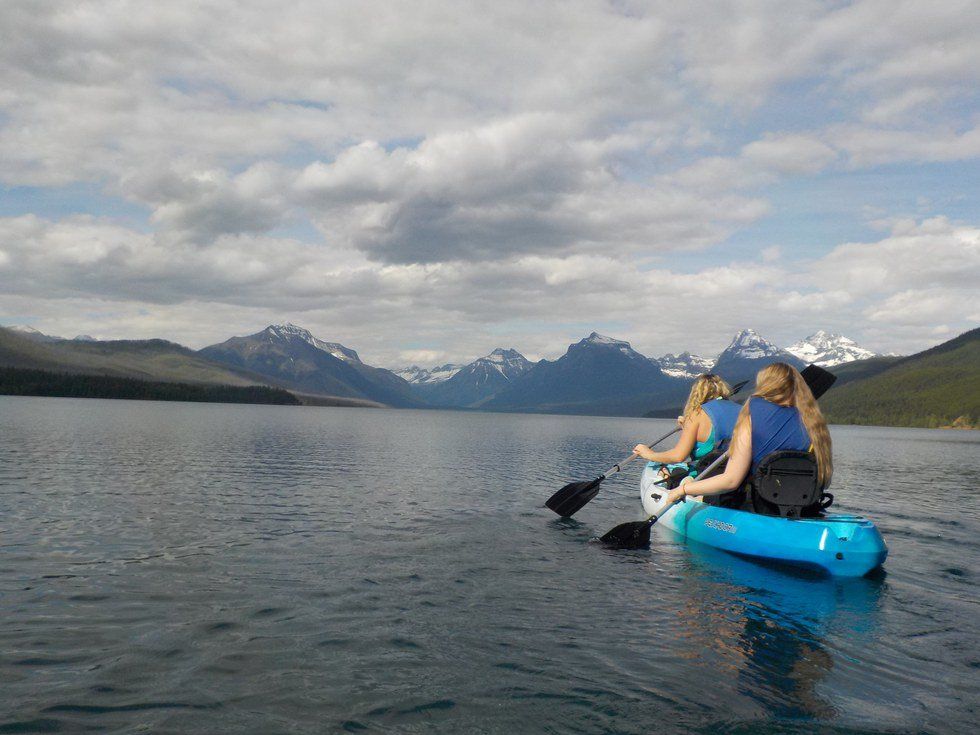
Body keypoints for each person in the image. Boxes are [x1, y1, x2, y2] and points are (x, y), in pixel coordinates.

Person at [666, 362, 832, 506]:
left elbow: (731, 480)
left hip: (758, 505)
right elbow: (826, 479)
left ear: (765, 386)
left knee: (691, 481)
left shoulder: (752, 412)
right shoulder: (814, 421)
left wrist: (683, 489)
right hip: (806, 505)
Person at [632, 373, 741, 476]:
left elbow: (678, 456)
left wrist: (649, 454)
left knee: (666, 471)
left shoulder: (697, 414)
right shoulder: (742, 411)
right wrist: (687, 426)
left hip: (705, 476)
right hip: (738, 474)